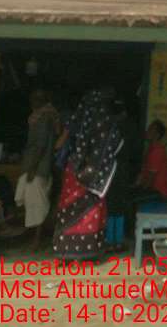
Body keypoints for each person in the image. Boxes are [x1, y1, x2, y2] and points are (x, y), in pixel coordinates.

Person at [53, 89, 123, 259]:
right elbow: (114, 148)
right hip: (94, 176)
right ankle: (87, 251)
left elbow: (58, 146)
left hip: (73, 172)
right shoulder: (108, 125)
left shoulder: (75, 122)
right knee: (91, 210)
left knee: (69, 208)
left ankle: (66, 250)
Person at [14, 88, 60, 249]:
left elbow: (40, 146)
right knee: (33, 203)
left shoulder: (43, 118)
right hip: (36, 166)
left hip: (38, 168)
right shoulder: (41, 117)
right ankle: (34, 236)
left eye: (37, 99)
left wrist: (32, 169)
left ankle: (36, 239)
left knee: (36, 205)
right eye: (33, 98)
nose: (34, 102)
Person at [105, 99, 130, 253]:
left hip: (109, 172)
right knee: (119, 207)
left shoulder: (108, 128)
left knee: (110, 207)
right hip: (121, 171)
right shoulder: (127, 129)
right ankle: (118, 241)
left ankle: (110, 241)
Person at [132, 120, 167, 203]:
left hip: (159, 193)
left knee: (131, 201)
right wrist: (136, 185)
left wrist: (140, 191)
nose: (147, 131)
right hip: (153, 190)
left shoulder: (157, 150)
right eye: (148, 129)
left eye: (150, 130)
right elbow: (143, 174)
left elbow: (150, 178)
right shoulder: (151, 148)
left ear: (157, 135)